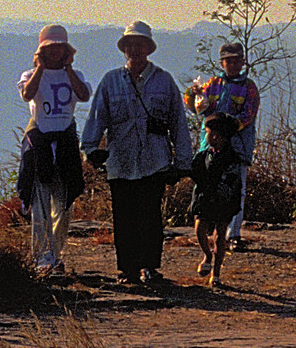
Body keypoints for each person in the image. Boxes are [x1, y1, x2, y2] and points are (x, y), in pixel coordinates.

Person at [81, 20, 192, 285]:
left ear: (148, 48)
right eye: (130, 44)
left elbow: (178, 122)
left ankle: (150, 267)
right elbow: (97, 118)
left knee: (151, 217)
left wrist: (183, 162)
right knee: (124, 217)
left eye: (139, 44)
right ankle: (128, 270)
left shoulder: (164, 81)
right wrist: (90, 150)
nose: (134, 49)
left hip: (155, 161)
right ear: (124, 48)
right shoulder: (110, 81)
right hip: (120, 161)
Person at [16, 24, 90, 276]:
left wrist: (68, 68)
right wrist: (40, 68)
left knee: (63, 204)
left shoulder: (75, 74)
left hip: (65, 141)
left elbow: (83, 95)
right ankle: (41, 256)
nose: (55, 52)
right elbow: (28, 95)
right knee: (40, 204)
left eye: (59, 47)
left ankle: (57, 254)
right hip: (41, 142)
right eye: (50, 48)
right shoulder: (30, 74)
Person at [185, 41, 260, 248]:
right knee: (205, 185)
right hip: (209, 146)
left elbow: (248, 115)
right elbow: (196, 108)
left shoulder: (249, 87)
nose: (233, 65)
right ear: (222, 63)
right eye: (229, 61)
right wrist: (193, 94)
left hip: (237, 147)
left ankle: (232, 234)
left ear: (243, 62)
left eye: (237, 61)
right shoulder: (213, 84)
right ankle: (204, 227)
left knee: (236, 189)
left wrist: (227, 129)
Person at [190, 112, 244, 288]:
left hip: (223, 201)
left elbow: (232, 182)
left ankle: (217, 272)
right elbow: (194, 171)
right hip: (205, 198)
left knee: (221, 233)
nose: (207, 135)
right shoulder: (204, 155)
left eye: (208, 131)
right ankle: (207, 254)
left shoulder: (233, 160)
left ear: (217, 135)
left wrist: (218, 195)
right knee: (199, 227)